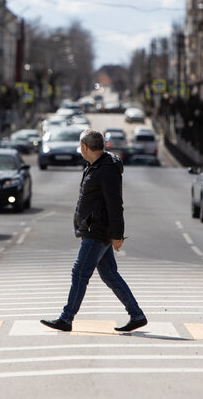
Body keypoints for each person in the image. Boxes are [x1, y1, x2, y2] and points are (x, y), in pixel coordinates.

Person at [41, 129, 147, 333]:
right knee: (110, 275)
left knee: (79, 272)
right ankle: (137, 315)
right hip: (95, 227)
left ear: (84, 147)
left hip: (98, 230)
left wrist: (118, 235)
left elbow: (115, 204)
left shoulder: (106, 170)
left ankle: (66, 318)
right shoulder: (96, 166)